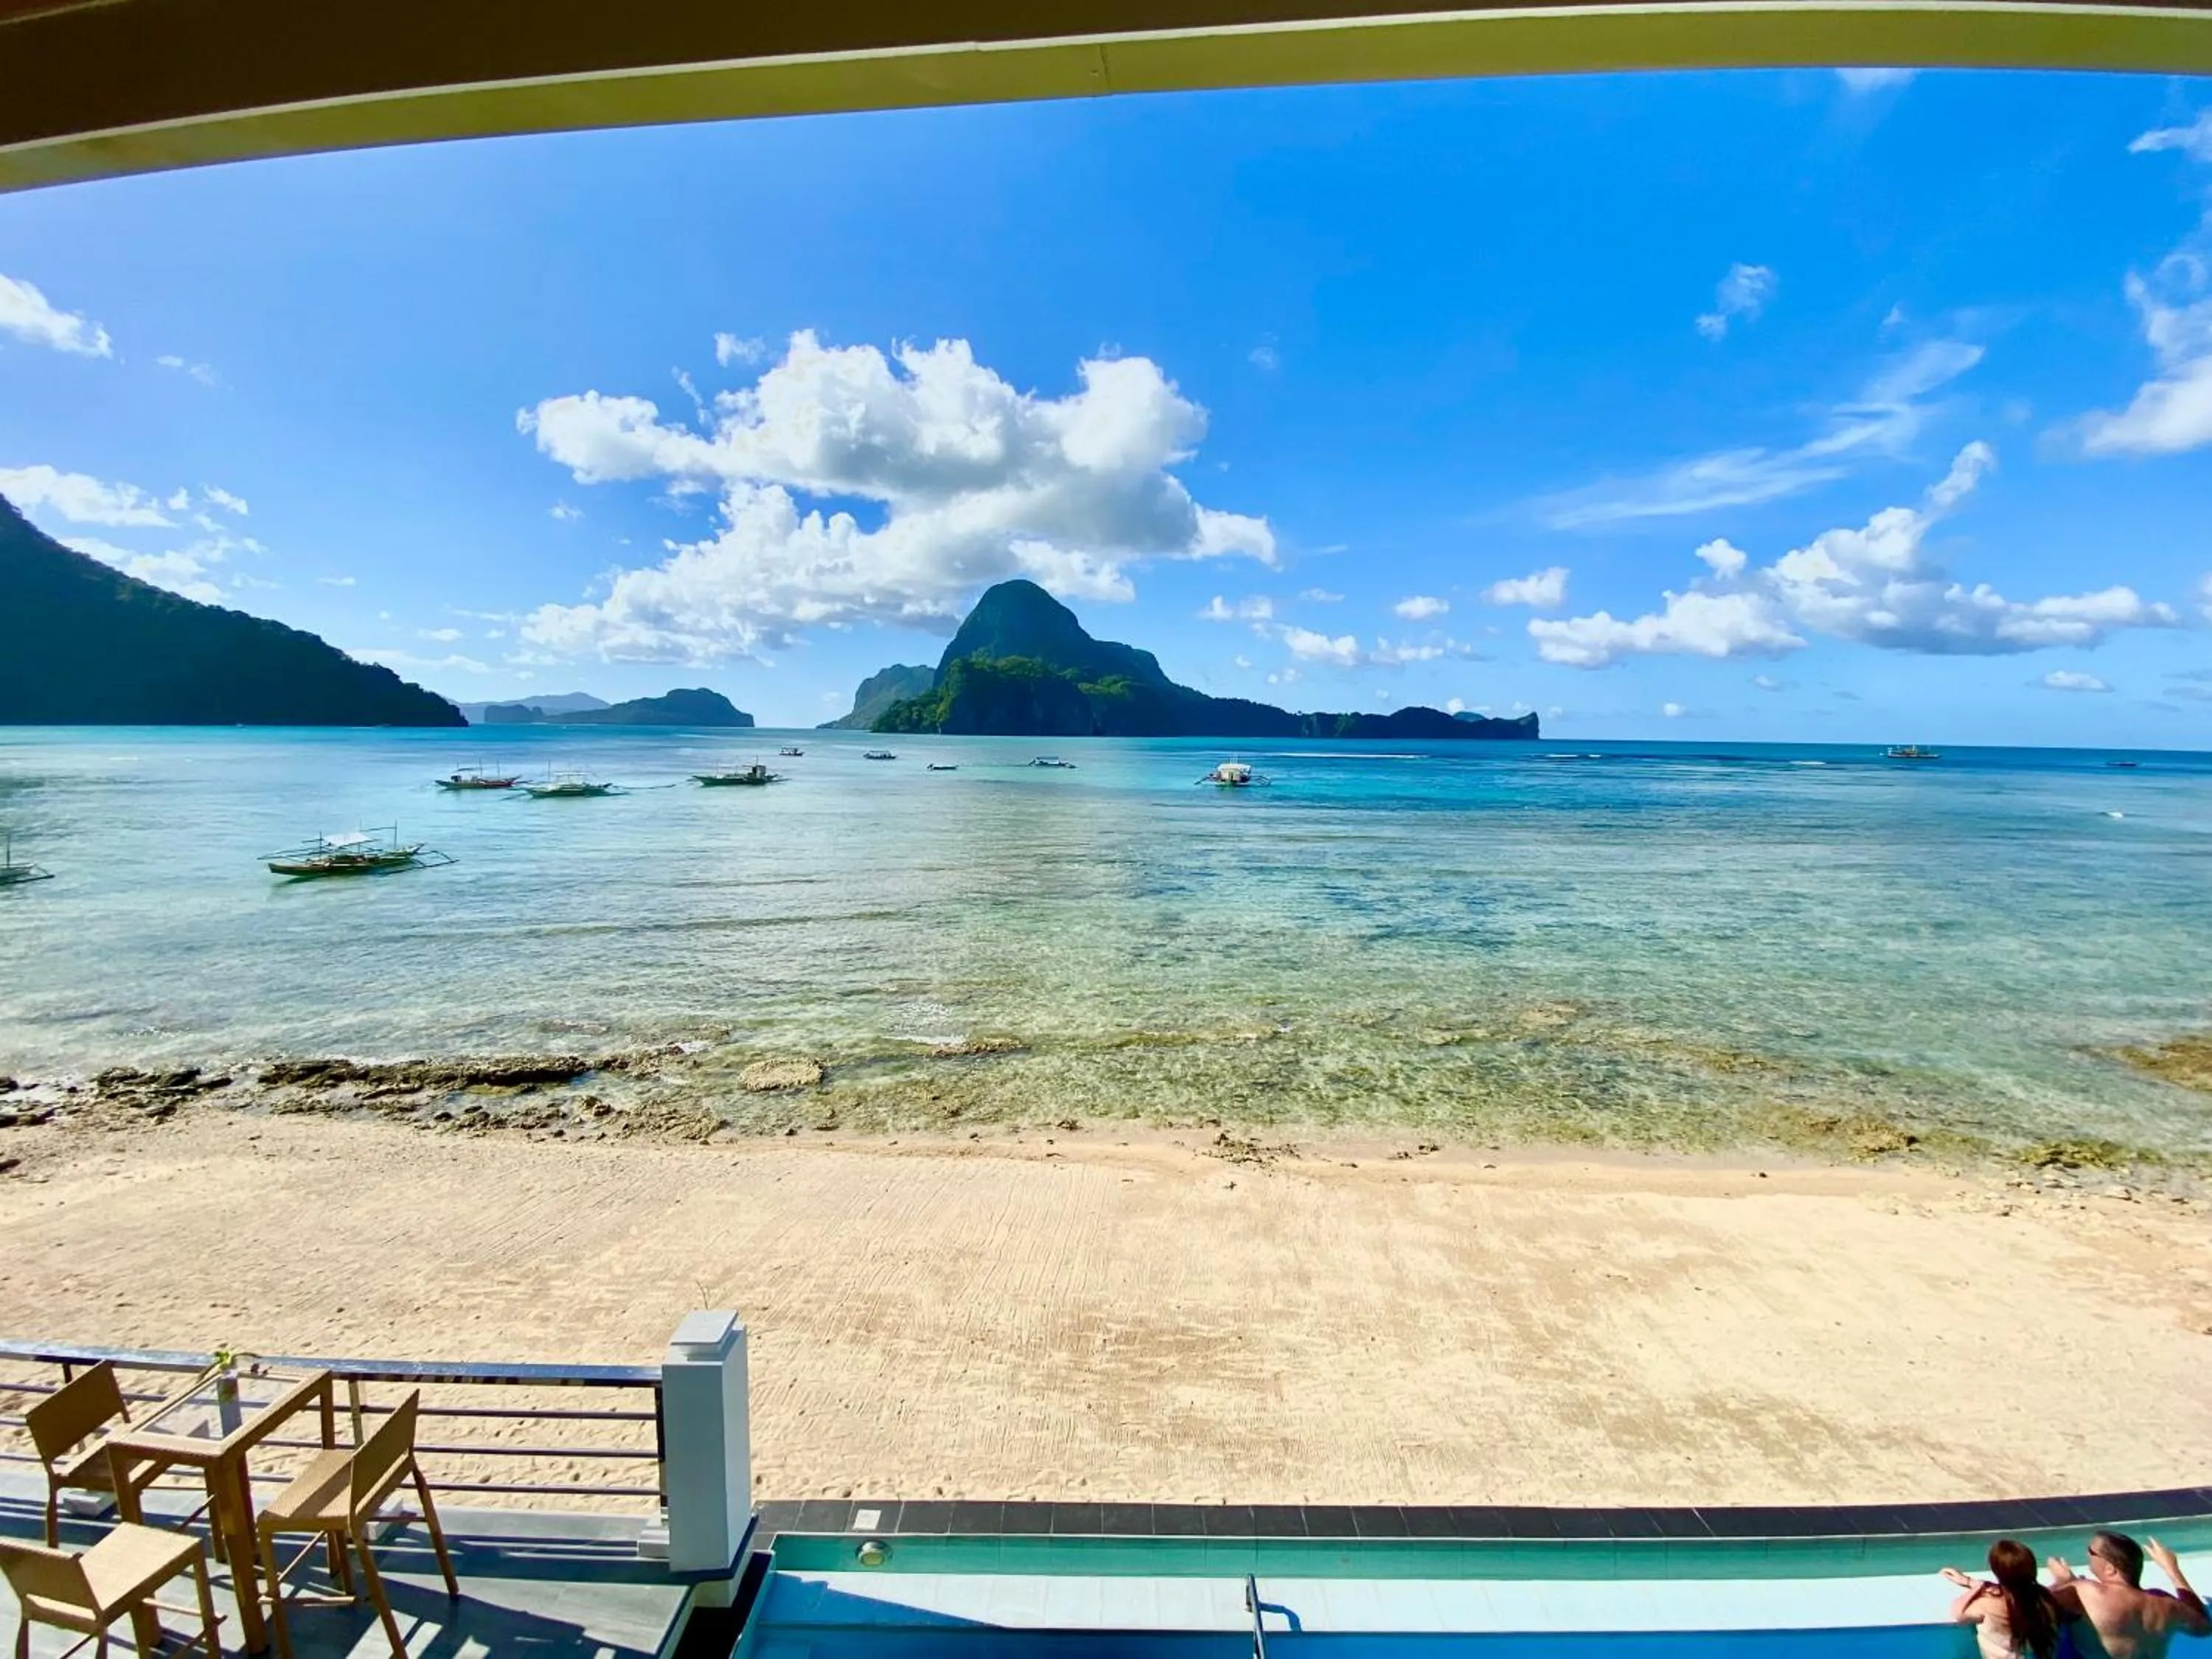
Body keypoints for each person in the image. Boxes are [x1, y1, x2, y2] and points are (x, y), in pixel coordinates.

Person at [2045, 1532, 2211, 1659]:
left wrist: (2062, 1582)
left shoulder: (2084, 1592)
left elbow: (2035, 1604)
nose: (2088, 1555)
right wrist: (2172, 1569)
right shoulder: (2165, 1605)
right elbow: (2204, 1627)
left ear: (2110, 1568)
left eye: (2091, 1551)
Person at [1945, 1539, 2062, 1659]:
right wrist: (1970, 1582)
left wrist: (1977, 1588)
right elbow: (2018, 1589)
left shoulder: (1988, 1605)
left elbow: (1958, 1613)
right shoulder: (2045, 1598)